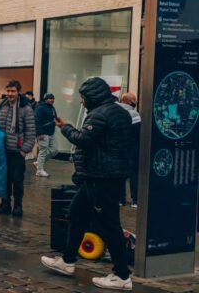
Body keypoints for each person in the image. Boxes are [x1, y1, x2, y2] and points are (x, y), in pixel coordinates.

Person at [42, 77, 134, 291]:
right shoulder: (119, 111)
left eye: (83, 97)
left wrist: (65, 128)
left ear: (92, 96)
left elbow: (84, 139)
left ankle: (122, 275)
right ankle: (67, 260)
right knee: (76, 213)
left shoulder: (100, 114)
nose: (81, 102)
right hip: (100, 176)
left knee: (109, 224)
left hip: (102, 177)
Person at [0, 80, 36, 217]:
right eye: (8, 91)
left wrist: (25, 150)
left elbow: (30, 131)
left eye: (13, 91)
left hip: (17, 151)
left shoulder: (26, 108)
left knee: (17, 181)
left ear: (18, 92)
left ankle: (18, 206)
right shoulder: (0, 105)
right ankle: (5, 204)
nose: (10, 94)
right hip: (2, 150)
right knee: (3, 179)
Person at [117, 92, 141, 207]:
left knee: (120, 174)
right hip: (132, 148)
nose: (135, 103)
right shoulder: (134, 114)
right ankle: (135, 200)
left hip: (118, 148)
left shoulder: (115, 111)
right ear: (128, 101)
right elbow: (138, 133)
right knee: (133, 174)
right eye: (134, 101)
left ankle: (120, 199)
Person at [34, 93, 59, 177]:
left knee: (55, 150)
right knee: (43, 150)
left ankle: (39, 162)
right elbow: (36, 121)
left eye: (53, 98)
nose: (52, 100)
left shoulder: (52, 108)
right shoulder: (40, 107)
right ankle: (39, 171)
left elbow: (54, 117)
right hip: (43, 133)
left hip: (51, 132)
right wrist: (39, 133)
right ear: (45, 99)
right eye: (50, 98)